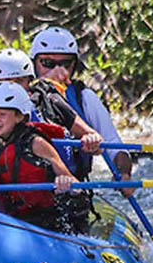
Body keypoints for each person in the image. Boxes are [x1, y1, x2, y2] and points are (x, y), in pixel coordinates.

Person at [0, 81, 92, 235]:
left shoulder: (36, 143)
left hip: (45, 221)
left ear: (19, 116)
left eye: (2, 114)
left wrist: (66, 182)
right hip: (6, 220)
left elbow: (72, 181)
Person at [0, 48, 103, 179]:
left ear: (29, 81)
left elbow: (94, 139)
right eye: (4, 82)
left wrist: (91, 140)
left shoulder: (50, 101)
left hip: (58, 185)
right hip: (12, 190)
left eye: (19, 81)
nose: (12, 88)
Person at [29, 26, 133, 193]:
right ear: (34, 64)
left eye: (65, 64)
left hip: (72, 189)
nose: (58, 71)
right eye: (48, 63)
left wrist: (124, 173)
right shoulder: (19, 98)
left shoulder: (84, 97)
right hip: (28, 187)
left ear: (74, 65)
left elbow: (113, 144)